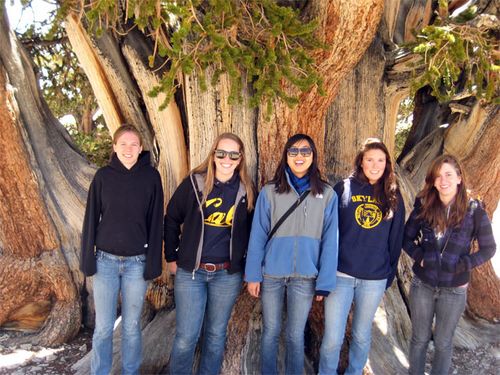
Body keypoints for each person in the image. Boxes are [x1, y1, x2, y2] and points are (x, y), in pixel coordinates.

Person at [245, 133, 338, 375]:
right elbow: (257, 235)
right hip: (272, 275)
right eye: (293, 151)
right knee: (271, 331)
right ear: (286, 156)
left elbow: (330, 241)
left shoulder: (327, 195)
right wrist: (253, 274)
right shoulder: (270, 192)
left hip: (305, 277)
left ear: (313, 157)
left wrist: (325, 282)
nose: (299, 156)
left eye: (305, 151)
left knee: (295, 336)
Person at [164, 132, 254, 375]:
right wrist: (171, 258)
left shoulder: (245, 191)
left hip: (226, 275)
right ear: (213, 155)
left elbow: (254, 234)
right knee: (186, 337)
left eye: (233, 154)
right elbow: (171, 219)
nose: (227, 159)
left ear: (240, 158)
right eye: (221, 153)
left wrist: (248, 267)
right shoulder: (195, 184)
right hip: (191, 273)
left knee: (215, 336)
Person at [80, 124, 164, 375]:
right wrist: (88, 261)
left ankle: (130, 371)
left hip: (136, 264)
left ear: (140, 148)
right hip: (105, 261)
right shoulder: (103, 177)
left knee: (130, 327)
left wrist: (152, 263)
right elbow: (91, 218)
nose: (128, 149)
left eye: (133, 144)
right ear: (114, 147)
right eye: (123, 144)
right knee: (104, 327)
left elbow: (156, 221)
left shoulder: (151, 177)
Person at [403, 154, 496, 375]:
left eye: (448, 175)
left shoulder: (475, 211)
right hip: (422, 285)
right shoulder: (424, 205)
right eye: (437, 176)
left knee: (444, 342)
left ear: (459, 178)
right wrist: (420, 256)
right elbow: (406, 238)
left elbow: (489, 248)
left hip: (454, 290)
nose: (442, 181)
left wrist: (464, 264)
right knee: (419, 339)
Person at [319, 138, 405, 375]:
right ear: (361, 161)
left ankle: (354, 372)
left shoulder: (393, 194)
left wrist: (389, 272)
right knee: (333, 337)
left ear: (387, 163)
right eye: (369, 159)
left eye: (380, 160)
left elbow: (396, 239)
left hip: (374, 278)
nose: (375, 165)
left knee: (361, 334)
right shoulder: (343, 188)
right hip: (341, 275)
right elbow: (329, 231)